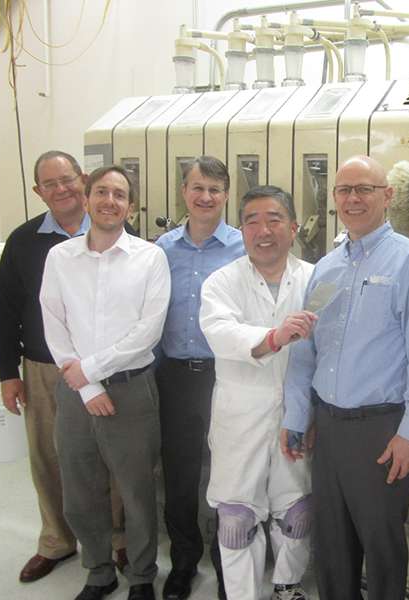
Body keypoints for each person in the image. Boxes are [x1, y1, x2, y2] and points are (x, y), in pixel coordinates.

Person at [281, 155, 409, 600]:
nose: (352, 199)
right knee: (331, 543)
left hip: (381, 430)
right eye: (343, 190)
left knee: (381, 544)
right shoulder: (326, 267)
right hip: (329, 429)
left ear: (387, 196)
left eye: (364, 190)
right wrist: (298, 416)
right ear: (333, 198)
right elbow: (305, 349)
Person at [0, 150, 128, 583]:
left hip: (103, 366)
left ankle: (117, 539)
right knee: (49, 457)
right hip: (45, 366)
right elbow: (4, 309)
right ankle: (57, 540)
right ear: (38, 191)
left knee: (111, 458)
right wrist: (8, 372)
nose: (61, 189)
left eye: (67, 179)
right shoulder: (23, 241)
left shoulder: (116, 228)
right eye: (50, 184)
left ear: (82, 179)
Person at [40, 165, 170, 600]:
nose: (109, 201)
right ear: (87, 197)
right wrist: (88, 386)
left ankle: (141, 576)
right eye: (101, 191)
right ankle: (98, 572)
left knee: (136, 493)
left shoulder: (150, 258)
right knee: (79, 492)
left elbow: (148, 332)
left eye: (119, 194)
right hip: (76, 393)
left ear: (130, 206)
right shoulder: (61, 258)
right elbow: (54, 324)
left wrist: (91, 371)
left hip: (131, 391)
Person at [200, 185, 314, 600]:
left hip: (296, 417)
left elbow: (330, 350)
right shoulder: (221, 282)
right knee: (236, 519)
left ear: (294, 227)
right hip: (240, 420)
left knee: (297, 513)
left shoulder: (318, 278)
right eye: (252, 221)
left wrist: (312, 414)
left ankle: (286, 586)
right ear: (241, 229)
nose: (263, 230)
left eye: (274, 219)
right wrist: (274, 336)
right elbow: (220, 333)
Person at [155, 156, 244, 600]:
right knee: (180, 475)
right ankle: (184, 562)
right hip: (174, 377)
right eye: (197, 187)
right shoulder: (162, 249)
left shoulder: (245, 248)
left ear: (226, 194)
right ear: (183, 192)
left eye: (214, 188)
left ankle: (229, 562)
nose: (205, 196)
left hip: (227, 377)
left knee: (229, 474)